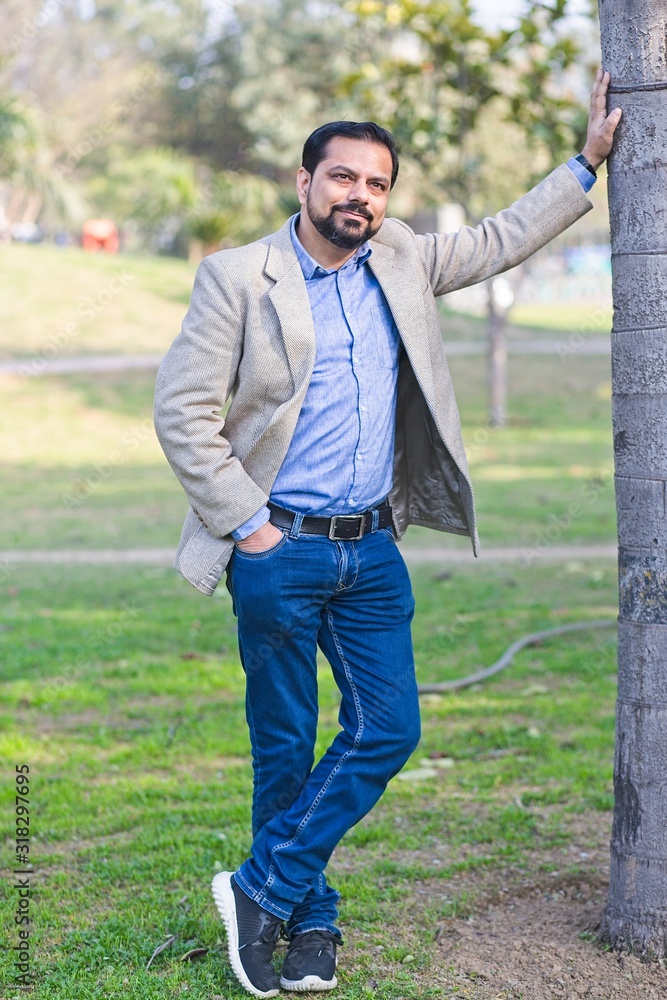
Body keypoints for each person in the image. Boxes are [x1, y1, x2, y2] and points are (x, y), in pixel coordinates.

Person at [154, 69, 621, 998]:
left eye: (375, 183)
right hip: (277, 547)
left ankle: (259, 889)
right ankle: (309, 923)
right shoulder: (238, 277)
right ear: (304, 182)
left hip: (371, 550)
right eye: (342, 177)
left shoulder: (401, 257)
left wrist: (584, 165)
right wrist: (250, 528)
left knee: (388, 727)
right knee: (285, 746)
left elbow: (497, 239)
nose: (359, 195)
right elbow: (182, 414)